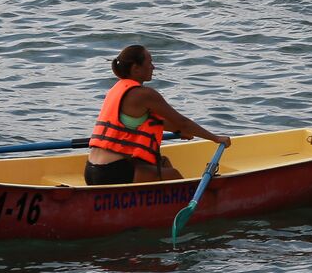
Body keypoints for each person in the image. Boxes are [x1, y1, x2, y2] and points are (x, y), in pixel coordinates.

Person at [85, 45, 232, 186]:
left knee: (163, 162)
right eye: (149, 62)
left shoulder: (118, 89)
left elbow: (155, 122)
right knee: (172, 174)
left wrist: (178, 131)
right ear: (135, 68)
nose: (153, 67)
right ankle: (196, 205)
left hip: (92, 169)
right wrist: (216, 138)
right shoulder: (144, 94)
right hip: (112, 172)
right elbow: (182, 122)